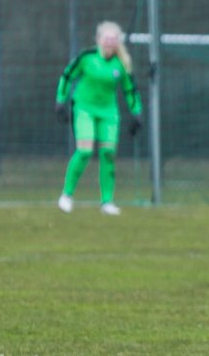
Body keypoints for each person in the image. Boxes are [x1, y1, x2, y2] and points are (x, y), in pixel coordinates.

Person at [55, 21, 143, 215]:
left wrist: (137, 113)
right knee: (85, 151)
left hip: (109, 114)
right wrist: (60, 101)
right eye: (106, 38)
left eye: (114, 39)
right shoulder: (87, 57)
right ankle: (66, 196)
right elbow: (67, 76)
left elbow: (130, 90)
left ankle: (107, 202)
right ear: (98, 39)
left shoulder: (121, 63)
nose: (110, 42)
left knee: (108, 154)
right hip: (84, 109)